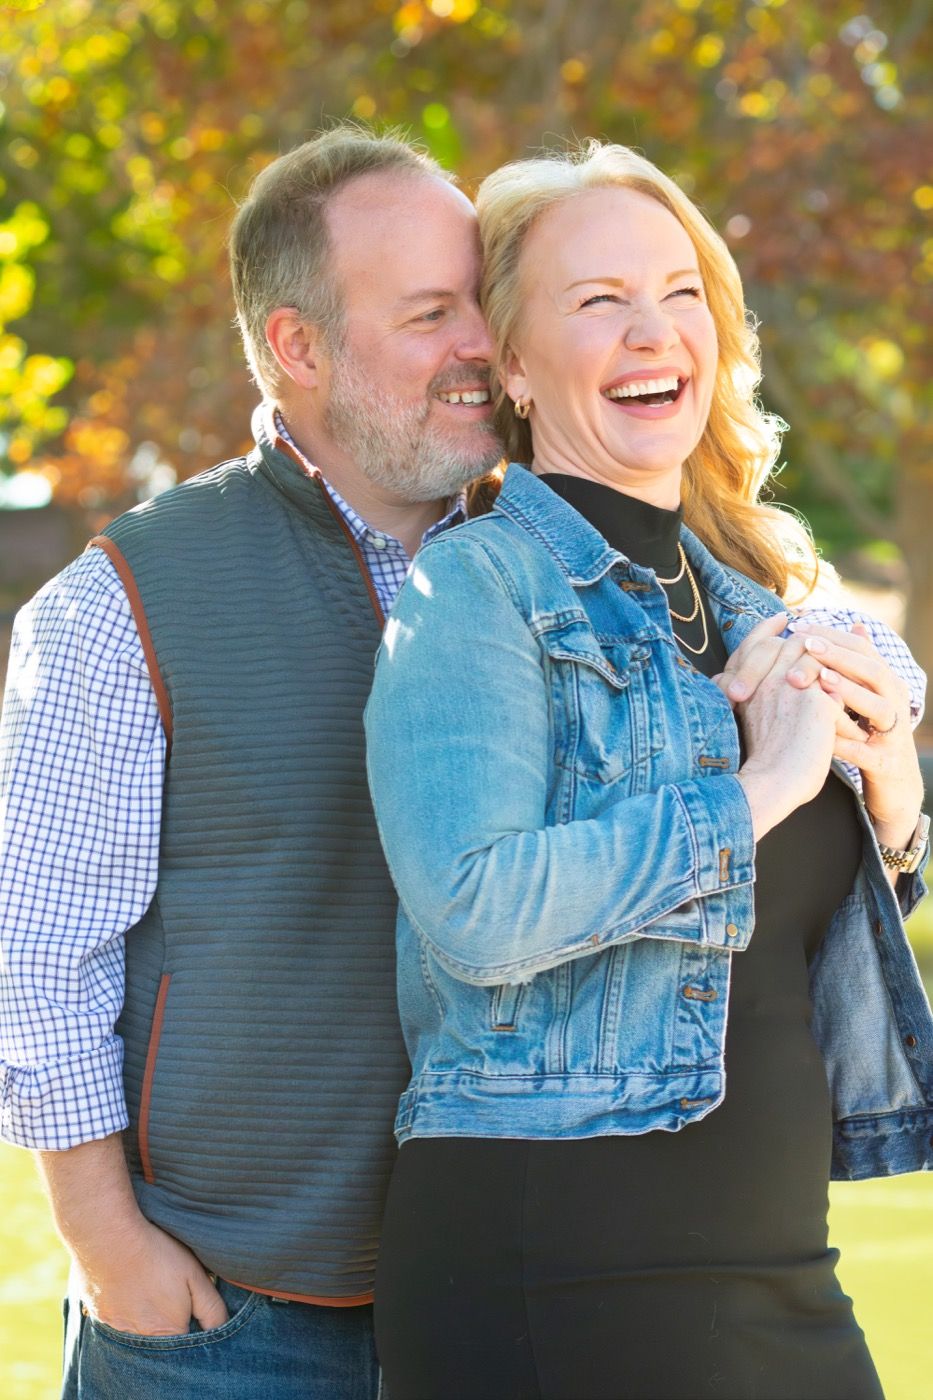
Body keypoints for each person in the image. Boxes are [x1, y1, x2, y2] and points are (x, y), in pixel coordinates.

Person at [364, 141, 933, 1400]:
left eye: (680, 292)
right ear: (514, 364)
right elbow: (473, 904)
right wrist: (763, 788)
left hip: (775, 1266)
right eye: (598, 299)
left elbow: (768, 926)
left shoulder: (755, 610)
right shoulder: (476, 588)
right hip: (557, 1261)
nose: (651, 329)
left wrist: (894, 799)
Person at [0, 124, 500, 1400]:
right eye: (431, 313)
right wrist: (110, 1248)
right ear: (298, 346)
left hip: (514, 1299)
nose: (483, 345)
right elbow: (38, 959)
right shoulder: (121, 600)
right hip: (223, 1324)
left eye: (483, 302)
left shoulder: (554, 553)